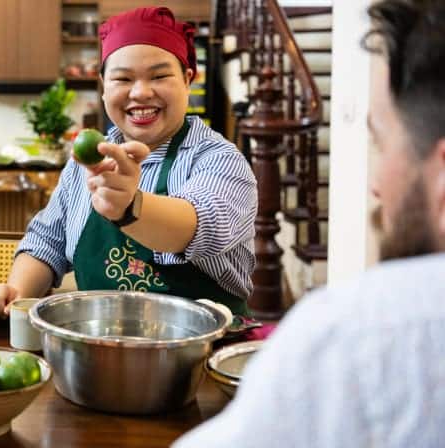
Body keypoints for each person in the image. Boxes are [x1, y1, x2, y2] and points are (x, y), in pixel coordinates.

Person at [173, 1, 445, 446]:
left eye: (383, 142)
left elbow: (205, 224)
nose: (374, 184)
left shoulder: (352, 339)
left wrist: (130, 207)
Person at [0, 6, 257, 320]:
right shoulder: (86, 161)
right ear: (103, 86)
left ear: (187, 80)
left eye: (160, 75)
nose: (140, 92)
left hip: (200, 352)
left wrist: (130, 207)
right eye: (123, 78)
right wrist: (16, 293)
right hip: (101, 347)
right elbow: (48, 242)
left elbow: (201, 226)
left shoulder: (220, 159)